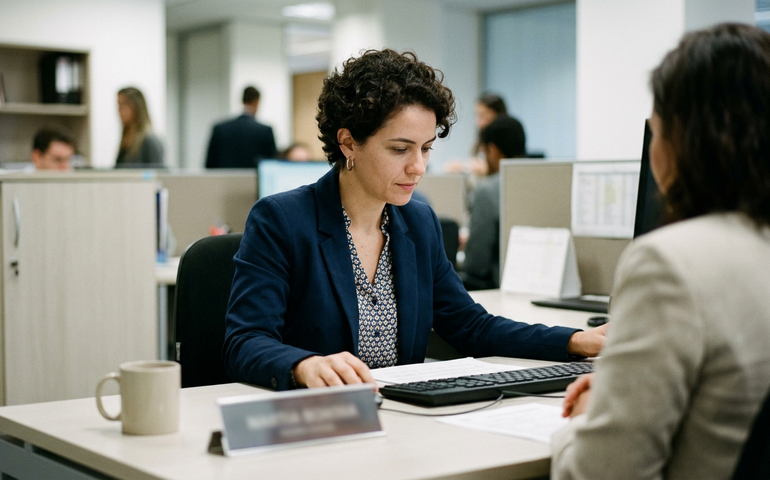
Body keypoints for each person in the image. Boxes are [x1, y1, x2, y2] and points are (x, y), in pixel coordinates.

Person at [223, 48, 606, 391]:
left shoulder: (418, 223)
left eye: (425, 149)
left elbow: (471, 326)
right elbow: (246, 340)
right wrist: (304, 365)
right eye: (400, 149)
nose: (418, 166)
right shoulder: (282, 221)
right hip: (321, 420)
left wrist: (573, 341)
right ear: (348, 142)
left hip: (404, 420)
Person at [551, 23, 770, 480]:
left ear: (679, 138)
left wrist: (590, 415)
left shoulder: (671, 263)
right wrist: (624, 392)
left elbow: (601, 474)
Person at [461, 115, 526, 291]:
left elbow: (476, 264)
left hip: (499, 289)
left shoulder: (487, 189)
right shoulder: (541, 182)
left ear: (493, 150)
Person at [205, 86, 277, 168]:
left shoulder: (220, 129)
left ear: (242, 100)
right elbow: (270, 164)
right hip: (252, 180)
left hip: (223, 179)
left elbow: (209, 164)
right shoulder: (265, 131)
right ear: (256, 102)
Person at [115, 87, 164, 167]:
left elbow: (156, 174)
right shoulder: (125, 137)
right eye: (118, 106)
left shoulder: (150, 141)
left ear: (135, 106)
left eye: (123, 105)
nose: (119, 111)